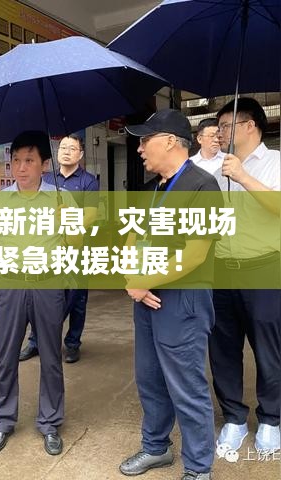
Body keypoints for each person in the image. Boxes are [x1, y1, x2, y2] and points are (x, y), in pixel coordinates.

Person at [0, 131, 79, 456]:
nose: (21, 167)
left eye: (29, 160)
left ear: (44, 164)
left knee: (51, 356)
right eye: (16, 161)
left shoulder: (61, 198)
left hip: (48, 284)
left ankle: (50, 423)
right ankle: (3, 421)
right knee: (6, 355)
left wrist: (68, 222)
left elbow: (77, 244)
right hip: (10, 285)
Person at [119, 109, 222, 480]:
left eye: (145, 140)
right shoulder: (152, 190)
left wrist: (145, 280)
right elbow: (132, 238)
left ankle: (198, 468)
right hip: (146, 298)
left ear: (168, 141)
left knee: (186, 383)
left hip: (183, 300)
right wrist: (132, 278)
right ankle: (156, 447)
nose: (140, 148)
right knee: (149, 377)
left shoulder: (202, 186)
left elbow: (195, 253)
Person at [209, 97, 280, 453]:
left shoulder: (275, 162)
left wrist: (243, 177)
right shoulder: (217, 170)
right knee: (222, 349)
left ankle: (271, 418)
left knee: (269, 348)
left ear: (250, 125)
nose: (219, 133)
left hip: (264, 267)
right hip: (222, 269)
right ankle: (234, 418)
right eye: (218, 127)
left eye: (225, 126)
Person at [19, 134, 99, 363]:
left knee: (76, 298)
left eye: (72, 148)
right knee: (42, 296)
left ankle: (72, 343)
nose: (66, 151)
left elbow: (91, 215)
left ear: (80, 154)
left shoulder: (88, 182)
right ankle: (36, 341)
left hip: (76, 249)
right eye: (63, 147)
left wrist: (69, 227)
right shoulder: (46, 179)